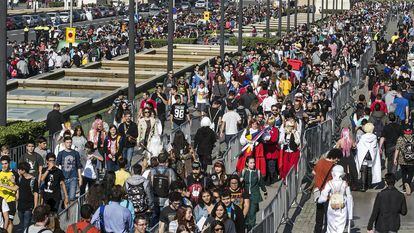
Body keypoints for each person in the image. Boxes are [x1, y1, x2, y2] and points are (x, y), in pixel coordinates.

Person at [313, 148, 342, 233]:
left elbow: (313, 173)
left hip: (317, 191)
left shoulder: (320, 161)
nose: (338, 160)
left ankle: (317, 231)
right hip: (327, 194)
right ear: (334, 157)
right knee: (329, 214)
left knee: (319, 214)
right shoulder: (333, 167)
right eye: (338, 158)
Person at [317, 165, 353, 233]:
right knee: (341, 225)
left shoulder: (329, 183)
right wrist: (350, 212)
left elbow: (324, 196)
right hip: (342, 207)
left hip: (331, 206)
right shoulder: (345, 184)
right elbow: (349, 197)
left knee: (331, 225)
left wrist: (319, 201)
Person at [148, 153, 176, 225]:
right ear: (166, 160)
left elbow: (149, 185)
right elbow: (174, 186)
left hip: (155, 199)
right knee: (165, 222)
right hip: (166, 200)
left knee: (154, 220)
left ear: (157, 160)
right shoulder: (170, 171)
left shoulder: (152, 171)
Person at [240, 156, 266, 231]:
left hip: (255, 195)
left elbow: (261, 183)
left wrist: (264, 191)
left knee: (252, 212)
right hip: (245, 195)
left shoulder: (257, 172)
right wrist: (240, 180)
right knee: (246, 212)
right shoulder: (243, 172)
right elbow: (236, 182)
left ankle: (251, 228)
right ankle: (246, 225)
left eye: (254, 162)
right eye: (251, 163)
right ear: (247, 163)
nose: (253, 164)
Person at [356, 123, 382, 191]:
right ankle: (369, 184)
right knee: (370, 170)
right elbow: (375, 148)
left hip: (364, 156)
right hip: (371, 156)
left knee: (364, 171)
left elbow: (359, 147)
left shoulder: (363, 137)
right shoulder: (374, 137)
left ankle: (363, 186)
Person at [56, 136, 83, 203]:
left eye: (70, 142)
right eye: (67, 142)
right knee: (64, 198)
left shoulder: (75, 153)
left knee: (72, 197)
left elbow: (78, 166)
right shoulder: (61, 153)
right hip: (63, 178)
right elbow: (57, 166)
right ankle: (66, 210)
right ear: (64, 143)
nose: (69, 144)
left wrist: (80, 178)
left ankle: (71, 212)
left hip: (73, 177)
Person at [17, 162, 39, 231]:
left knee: (26, 225)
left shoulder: (33, 180)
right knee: (21, 224)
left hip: (29, 205)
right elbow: (17, 189)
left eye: (20, 169)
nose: (19, 171)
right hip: (20, 205)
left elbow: (36, 193)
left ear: (24, 170)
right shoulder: (20, 178)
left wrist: (35, 206)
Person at [394, 125, 414, 194]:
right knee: (411, 173)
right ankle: (408, 183)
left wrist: (395, 159)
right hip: (412, 160)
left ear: (404, 131)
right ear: (411, 131)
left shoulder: (400, 138)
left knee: (404, 173)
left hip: (402, 160)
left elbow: (397, 149)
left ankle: (404, 188)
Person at [0, 156, 18, 233]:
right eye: (2, 164)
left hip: (10, 201)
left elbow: (16, 188)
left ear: (9, 163)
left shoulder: (14, 174)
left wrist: (13, 182)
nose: (4, 166)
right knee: (3, 221)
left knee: (10, 221)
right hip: (1, 201)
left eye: (6, 163)